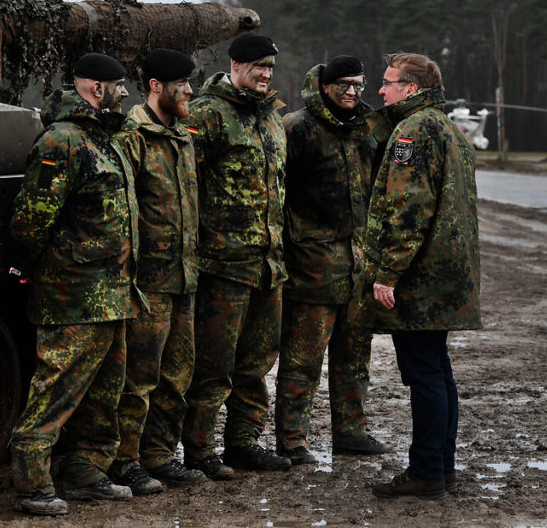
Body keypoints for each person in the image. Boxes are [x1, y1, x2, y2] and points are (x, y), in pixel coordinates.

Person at [8, 53, 143, 516]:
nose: (125, 93)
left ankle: (86, 472)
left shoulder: (107, 140)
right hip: (72, 295)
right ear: (94, 87)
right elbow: (31, 218)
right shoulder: (62, 141)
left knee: (105, 393)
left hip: (113, 291)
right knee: (56, 389)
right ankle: (31, 483)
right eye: (118, 84)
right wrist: (25, 264)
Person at [357, 52, 481, 500]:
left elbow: (409, 209)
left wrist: (388, 272)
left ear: (411, 88)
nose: (380, 91)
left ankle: (427, 471)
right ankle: (440, 467)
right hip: (447, 276)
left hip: (420, 277)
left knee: (425, 374)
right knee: (438, 371)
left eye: (388, 82)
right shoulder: (449, 129)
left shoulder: (412, 131)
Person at [180, 32, 291, 477]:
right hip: (222, 265)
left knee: (256, 363)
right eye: (258, 65)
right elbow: (185, 186)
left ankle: (244, 442)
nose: (265, 74)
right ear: (236, 65)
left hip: (268, 264)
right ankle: (200, 450)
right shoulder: (208, 114)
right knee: (214, 365)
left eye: (270, 67)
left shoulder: (270, 119)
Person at [274, 55, 393, 466]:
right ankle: (292, 440)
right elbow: (275, 192)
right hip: (311, 265)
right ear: (324, 86)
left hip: (359, 265)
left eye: (359, 85)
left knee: (355, 356)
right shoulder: (297, 127)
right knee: (302, 360)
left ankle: (351, 432)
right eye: (344, 84)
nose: (352, 92)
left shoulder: (370, 128)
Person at [110, 49, 206, 494]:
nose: (190, 90)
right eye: (182, 84)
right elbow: (124, 214)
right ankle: (124, 461)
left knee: (177, 375)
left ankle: (161, 456)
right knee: (139, 379)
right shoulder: (132, 138)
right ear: (155, 86)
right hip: (149, 283)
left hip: (185, 278)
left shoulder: (182, 136)